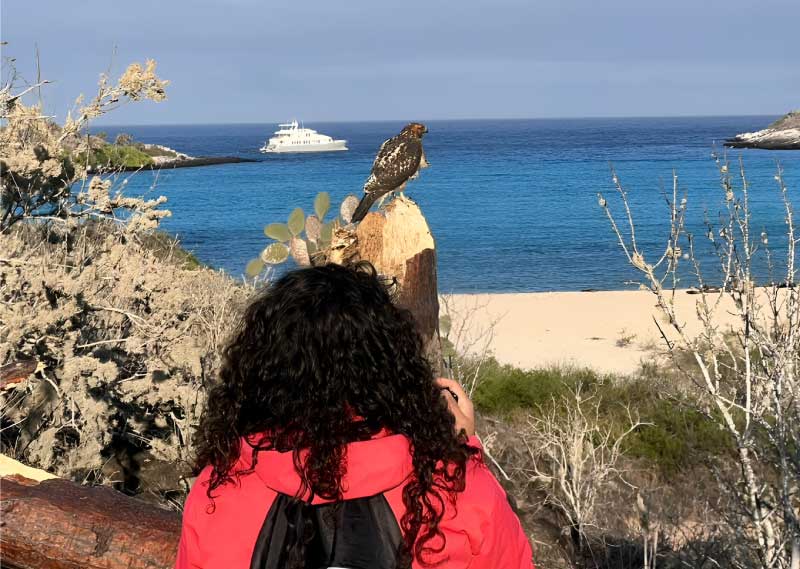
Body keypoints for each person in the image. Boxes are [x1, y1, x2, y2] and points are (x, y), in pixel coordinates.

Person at [175, 262, 534, 569]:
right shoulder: (454, 493)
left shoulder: (219, 490)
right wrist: (461, 451)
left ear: (261, 374)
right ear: (395, 372)